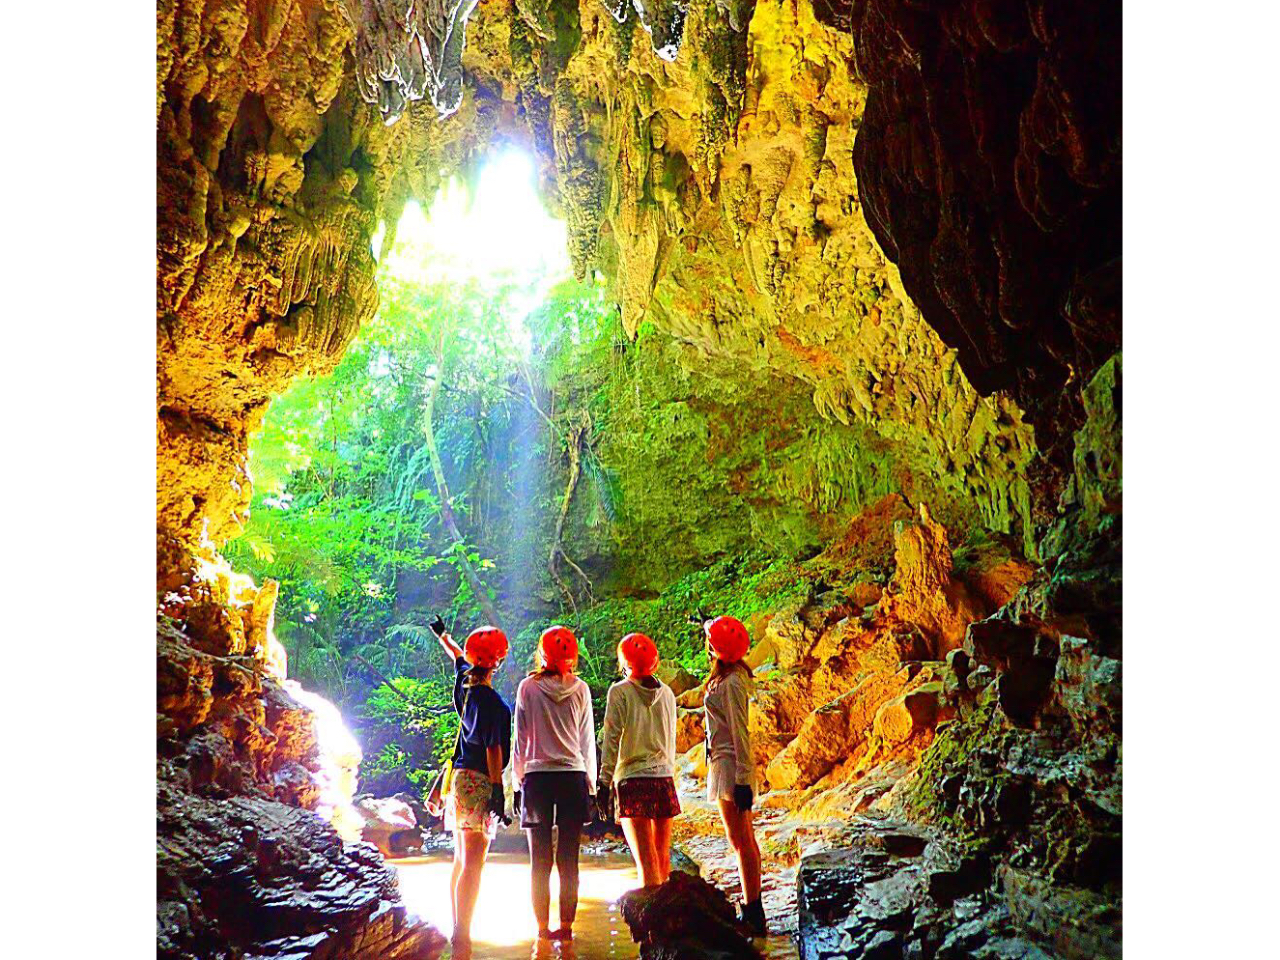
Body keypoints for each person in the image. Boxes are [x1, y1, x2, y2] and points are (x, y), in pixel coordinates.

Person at [512, 625, 598, 944]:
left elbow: (519, 738)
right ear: (572, 657)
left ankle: (541, 930)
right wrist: (591, 783)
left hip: (537, 779)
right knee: (569, 859)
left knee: (540, 860)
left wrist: (516, 782)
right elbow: (586, 740)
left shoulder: (527, 688)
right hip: (573, 776)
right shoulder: (581, 689)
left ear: (542, 655)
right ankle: (567, 927)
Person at [431, 623, 512, 959]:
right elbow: (494, 750)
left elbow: (458, 656)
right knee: (474, 864)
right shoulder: (496, 705)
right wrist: (498, 789)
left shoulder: (465, 684)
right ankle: (462, 936)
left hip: (460, 779)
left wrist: (443, 637)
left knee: (460, 860)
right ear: (498, 662)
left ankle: (457, 928)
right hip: (479, 779)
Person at [598, 632, 680, 888]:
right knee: (662, 858)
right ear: (655, 663)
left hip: (633, 780)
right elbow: (671, 738)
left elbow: (612, 738)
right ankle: (667, 921)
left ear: (624, 664)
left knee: (646, 864)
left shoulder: (619, 692)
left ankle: (651, 926)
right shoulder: (667, 693)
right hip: (664, 779)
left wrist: (604, 781)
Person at [702, 614, 767, 937]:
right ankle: (752, 906)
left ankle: (754, 910)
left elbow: (740, 732)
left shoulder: (732, 683)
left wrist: (743, 779)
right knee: (739, 839)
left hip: (731, 766)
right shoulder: (727, 678)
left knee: (742, 840)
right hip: (723, 762)